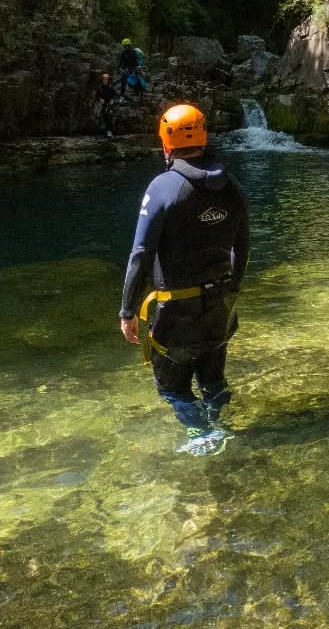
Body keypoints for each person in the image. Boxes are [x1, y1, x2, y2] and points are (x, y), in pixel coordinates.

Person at [119, 104, 250, 455]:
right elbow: (243, 247)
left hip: (177, 312)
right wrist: (231, 294)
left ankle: (200, 433)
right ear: (203, 137)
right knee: (213, 379)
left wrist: (127, 311)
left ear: (165, 143)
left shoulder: (163, 188)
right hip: (220, 306)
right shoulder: (232, 186)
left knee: (173, 389)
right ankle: (223, 425)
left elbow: (141, 254)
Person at [95, 73, 117, 138]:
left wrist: (112, 99)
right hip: (102, 105)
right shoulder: (99, 88)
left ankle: (109, 132)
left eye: (106, 79)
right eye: (104, 79)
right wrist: (100, 99)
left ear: (108, 80)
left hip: (110, 105)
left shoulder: (111, 87)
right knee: (105, 118)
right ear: (102, 80)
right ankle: (107, 131)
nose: (105, 80)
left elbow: (115, 95)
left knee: (109, 116)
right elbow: (97, 96)